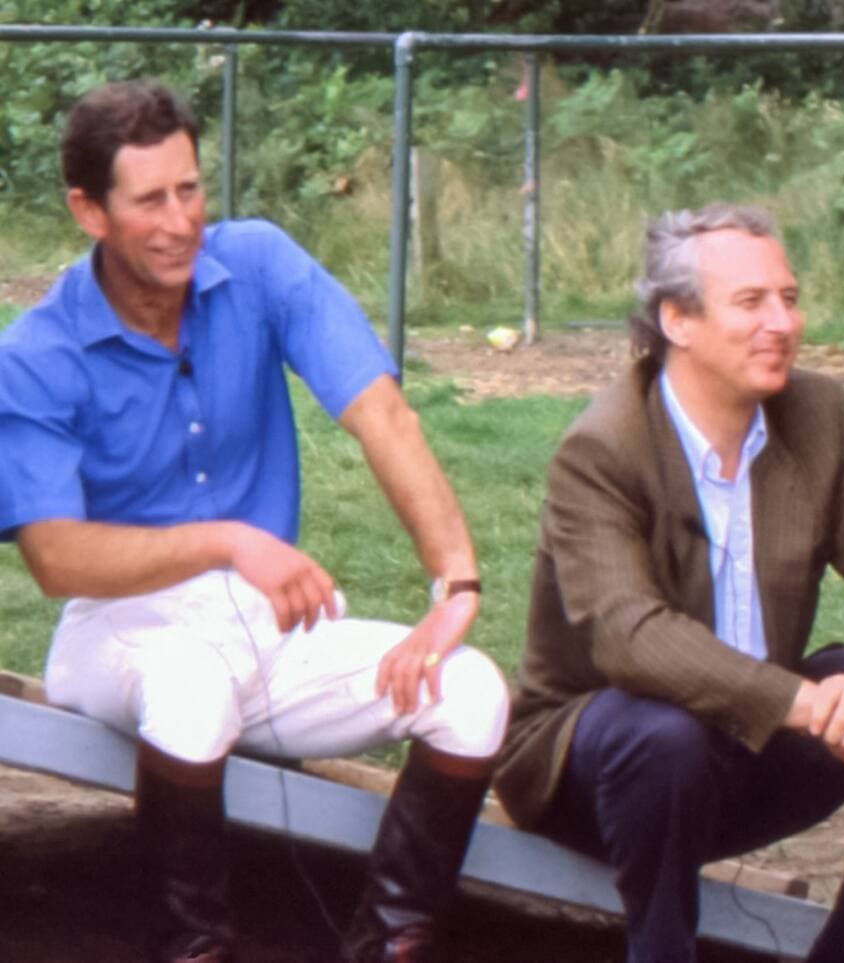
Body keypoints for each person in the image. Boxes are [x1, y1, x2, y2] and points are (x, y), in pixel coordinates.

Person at [0, 80, 509, 963]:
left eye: (190, 189)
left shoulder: (261, 264)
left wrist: (454, 581)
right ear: (89, 211)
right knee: (194, 689)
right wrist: (229, 540)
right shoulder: (35, 353)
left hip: (267, 631)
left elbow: (382, 415)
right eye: (149, 200)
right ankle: (193, 947)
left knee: (472, 693)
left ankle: (388, 942)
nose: (180, 220)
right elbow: (54, 557)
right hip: (121, 632)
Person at [493, 203, 844, 963]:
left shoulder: (814, 414)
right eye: (751, 302)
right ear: (677, 319)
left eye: (790, 298)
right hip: (599, 770)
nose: (783, 323)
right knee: (661, 730)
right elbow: (633, 640)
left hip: (749, 745)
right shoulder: (603, 447)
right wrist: (809, 705)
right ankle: (660, 948)